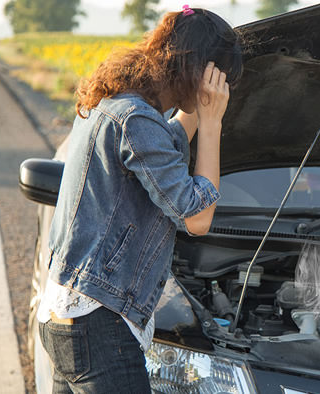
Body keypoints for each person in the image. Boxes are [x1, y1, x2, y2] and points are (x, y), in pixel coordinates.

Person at [36, 6, 242, 393]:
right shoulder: (136, 118)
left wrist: (198, 107)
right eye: (217, 76)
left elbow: (169, 143)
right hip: (99, 324)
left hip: (67, 315)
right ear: (197, 68)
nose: (220, 88)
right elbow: (197, 218)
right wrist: (212, 123)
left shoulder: (122, 103)